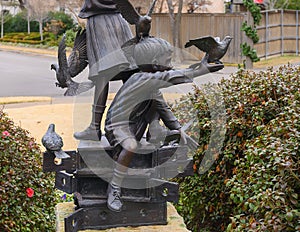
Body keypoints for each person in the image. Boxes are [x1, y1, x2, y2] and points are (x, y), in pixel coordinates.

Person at [104, 37, 223, 212]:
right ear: (154, 62)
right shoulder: (141, 78)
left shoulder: (152, 85)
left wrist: (178, 129)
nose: (171, 62)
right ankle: (114, 186)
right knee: (130, 145)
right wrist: (201, 70)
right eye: (168, 59)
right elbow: (170, 77)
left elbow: (163, 108)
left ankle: (158, 135)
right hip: (117, 125)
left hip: (135, 123)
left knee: (155, 104)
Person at [73, 0, 134, 141]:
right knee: (130, 72)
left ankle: (95, 127)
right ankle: (135, 123)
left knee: (105, 73)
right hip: (118, 19)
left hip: (101, 21)